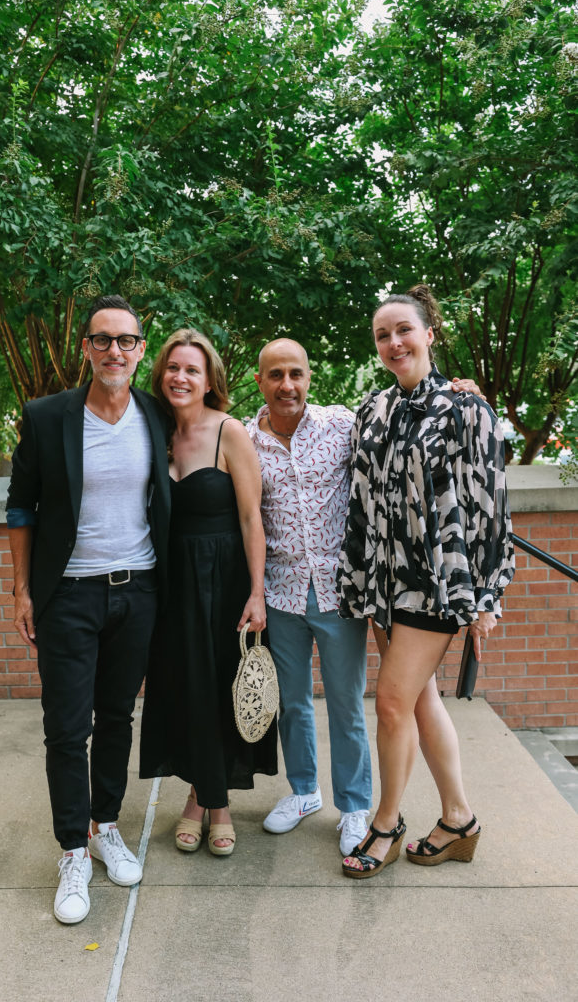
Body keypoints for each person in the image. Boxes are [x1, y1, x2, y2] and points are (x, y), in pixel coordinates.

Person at [337, 284, 515, 879]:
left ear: (430, 334)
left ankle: (384, 823)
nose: (393, 342)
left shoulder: (467, 410)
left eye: (404, 330)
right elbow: (362, 501)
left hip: (437, 584)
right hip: (386, 585)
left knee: (390, 702)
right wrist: (359, 578)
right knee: (419, 699)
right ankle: (459, 818)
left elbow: (491, 507)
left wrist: (485, 595)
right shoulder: (373, 410)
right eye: (383, 335)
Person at [6, 295, 170, 923]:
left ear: (139, 349)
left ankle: (105, 829)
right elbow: (21, 507)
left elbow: (228, 425)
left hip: (139, 591)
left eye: (126, 341)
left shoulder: (156, 415)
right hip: (69, 594)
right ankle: (72, 850)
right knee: (67, 729)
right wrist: (22, 589)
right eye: (102, 340)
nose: (114, 351)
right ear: (86, 349)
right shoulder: (48, 417)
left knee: (117, 718)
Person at [140, 329, 277, 856]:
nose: (181, 377)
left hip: (224, 579)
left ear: (209, 379)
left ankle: (211, 806)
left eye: (192, 370)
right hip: (170, 582)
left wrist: (257, 592)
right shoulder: (154, 431)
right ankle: (203, 795)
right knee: (185, 687)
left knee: (220, 685)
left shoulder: (230, 432)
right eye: (174, 368)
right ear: (162, 374)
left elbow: (251, 516)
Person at [247, 339, 373, 856]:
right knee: (292, 704)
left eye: (295, 373)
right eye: (275, 375)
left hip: (339, 593)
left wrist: (460, 392)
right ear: (260, 382)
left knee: (346, 703)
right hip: (281, 592)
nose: (287, 385)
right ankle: (303, 793)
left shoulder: (342, 424)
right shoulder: (244, 438)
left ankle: (355, 804)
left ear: (309, 377)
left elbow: (401, 421)